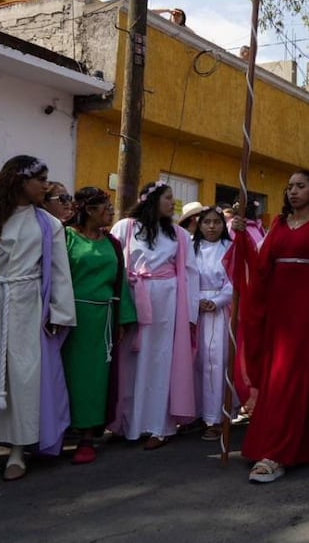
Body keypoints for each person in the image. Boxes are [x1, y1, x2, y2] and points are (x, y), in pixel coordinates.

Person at [227, 171, 309, 483]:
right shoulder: (278, 225)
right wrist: (242, 238)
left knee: (291, 378)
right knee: (278, 379)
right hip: (278, 313)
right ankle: (293, 442)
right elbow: (261, 265)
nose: (293, 192)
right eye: (289, 187)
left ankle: (276, 453)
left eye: (301, 186)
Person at [0, 156, 77, 482]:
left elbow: (58, 273)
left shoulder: (48, 224)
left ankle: (18, 448)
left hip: (30, 308)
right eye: (39, 179)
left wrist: (58, 313)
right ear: (18, 180)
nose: (45, 185)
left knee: (25, 377)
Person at [109, 182, 199, 450]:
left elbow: (191, 273)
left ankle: (159, 426)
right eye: (168, 198)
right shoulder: (125, 227)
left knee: (160, 362)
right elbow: (115, 264)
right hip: (132, 299)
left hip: (166, 304)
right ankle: (126, 422)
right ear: (152, 200)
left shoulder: (179, 235)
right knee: (130, 361)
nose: (174, 203)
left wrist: (190, 315)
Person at [62, 187, 137, 465]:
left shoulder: (113, 242)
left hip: (102, 321)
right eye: (105, 207)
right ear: (89, 210)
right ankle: (60, 431)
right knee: (65, 376)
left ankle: (88, 437)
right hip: (70, 318)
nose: (110, 211)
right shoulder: (65, 237)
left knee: (95, 380)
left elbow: (121, 282)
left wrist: (121, 318)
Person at [192, 206, 234, 441]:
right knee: (195, 363)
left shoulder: (229, 248)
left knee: (215, 363)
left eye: (216, 222)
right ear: (199, 224)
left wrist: (217, 301)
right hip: (194, 311)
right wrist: (196, 300)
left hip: (219, 312)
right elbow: (185, 276)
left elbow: (234, 279)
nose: (211, 226)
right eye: (206, 222)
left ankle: (215, 417)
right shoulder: (190, 247)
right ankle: (196, 412)